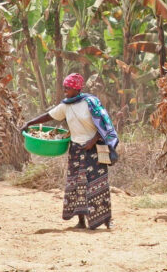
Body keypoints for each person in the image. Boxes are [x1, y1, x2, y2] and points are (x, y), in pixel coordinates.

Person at [21, 73, 118, 230]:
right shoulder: (66, 105)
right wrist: (29, 123)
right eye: (64, 87)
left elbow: (105, 126)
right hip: (76, 149)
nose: (65, 90)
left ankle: (107, 220)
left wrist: (92, 141)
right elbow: (48, 116)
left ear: (76, 88)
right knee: (76, 185)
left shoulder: (91, 102)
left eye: (68, 88)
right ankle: (80, 221)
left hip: (93, 150)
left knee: (98, 184)